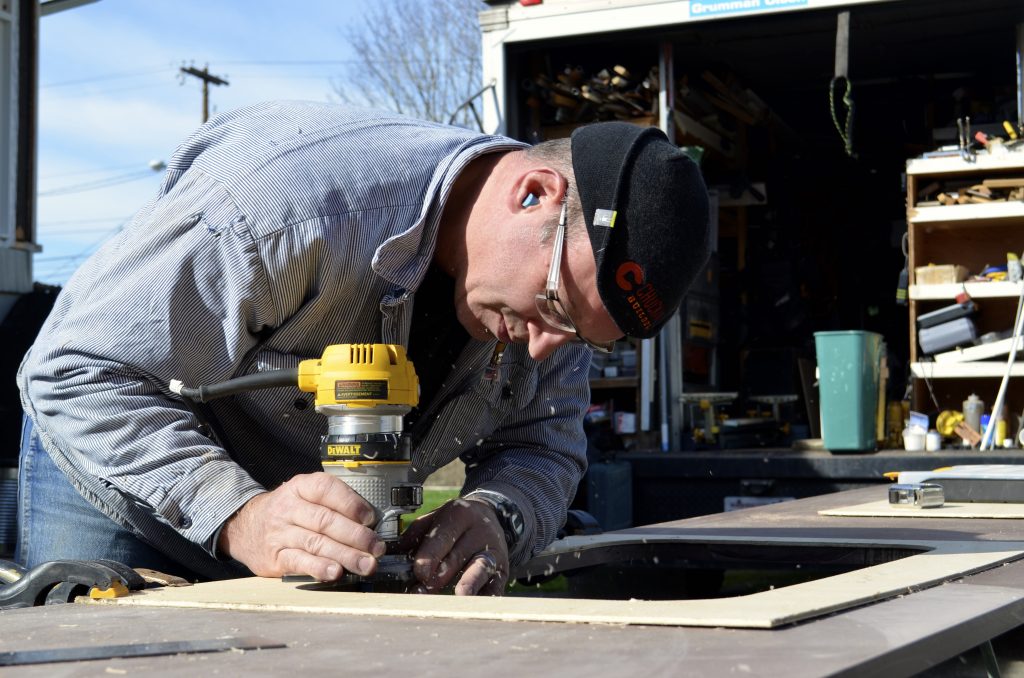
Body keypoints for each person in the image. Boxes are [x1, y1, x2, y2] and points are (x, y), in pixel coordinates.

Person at [16, 101, 709, 595]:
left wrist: (497, 514)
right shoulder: (285, 207)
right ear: (533, 194)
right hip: (118, 466)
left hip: (293, 520)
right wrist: (236, 512)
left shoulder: (560, 299)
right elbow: (75, 370)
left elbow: (545, 445)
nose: (549, 346)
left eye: (583, 336)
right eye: (554, 307)